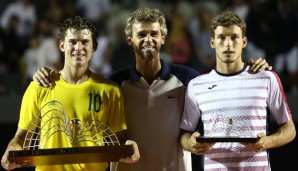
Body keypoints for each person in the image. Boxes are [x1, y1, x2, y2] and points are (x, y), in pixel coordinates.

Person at [31, 8, 272, 171]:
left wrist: (252, 67)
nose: (148, 39)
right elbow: (76, 90)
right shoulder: (112, 85)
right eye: (141, 34)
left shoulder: (188, 79)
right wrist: (48, 74)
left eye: (154, 34)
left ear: (163, 38)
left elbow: (223, 80)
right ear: (130, 40)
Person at [1, 16, 139, 171]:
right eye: (72, 42)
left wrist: (128, 146)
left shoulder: (110, 91)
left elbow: (118, 140)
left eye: (84, 42)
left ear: (94, 46)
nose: (78, 47)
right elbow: (20, 137)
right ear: (62, 45)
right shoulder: (38, 87)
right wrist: (11, 149)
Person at [180, 11, 296, 171]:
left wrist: (267, 141)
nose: (228, 44)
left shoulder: (266, 78)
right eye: (221, 38)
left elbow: (289, 129)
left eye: (234, 37)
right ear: (212, 42)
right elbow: (184, 134)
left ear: (244, 41)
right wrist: (190, 143)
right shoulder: (196, 85)